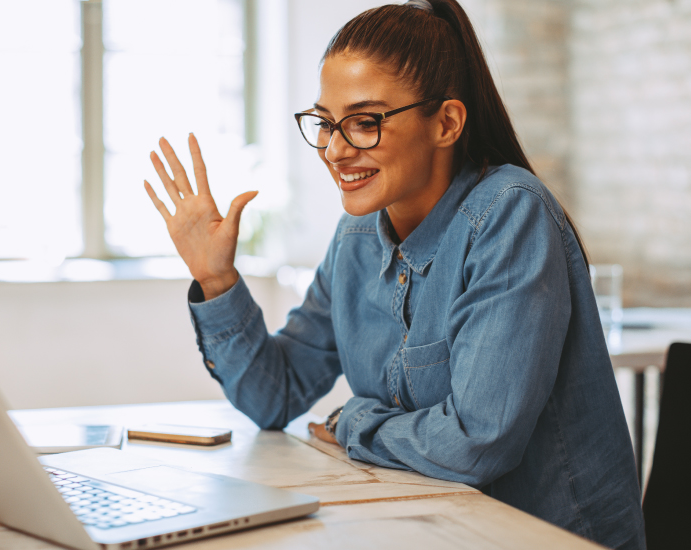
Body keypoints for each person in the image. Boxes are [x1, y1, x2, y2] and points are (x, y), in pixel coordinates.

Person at [142, 1, 645, 548]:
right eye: (327, 124)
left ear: (446, 122)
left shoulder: (508, 212)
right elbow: (275, 395)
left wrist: (354, 422)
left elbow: (477, 442)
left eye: (364, 122)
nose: (335, 150)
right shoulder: (356, 238)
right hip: (427, 528)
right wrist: (217, 281)